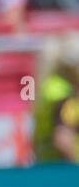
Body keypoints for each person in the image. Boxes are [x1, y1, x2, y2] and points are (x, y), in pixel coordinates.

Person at [33, 33, 79, 164]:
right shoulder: (63, 92)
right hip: (62, 166)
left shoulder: (48, 85)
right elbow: (63, 139)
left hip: (45, 161)